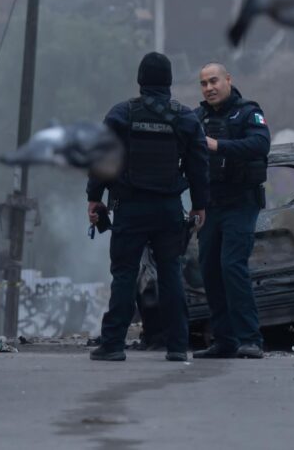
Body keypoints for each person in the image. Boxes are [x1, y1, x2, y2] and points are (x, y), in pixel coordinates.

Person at [86, 52, 210, 362]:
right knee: (170, 275)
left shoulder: (122, 114)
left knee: (125, 275)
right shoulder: (185, 117)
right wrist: (199, 205)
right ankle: (178, 346)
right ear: (169, 81)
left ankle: (113, 344)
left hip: (130, 208)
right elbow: (198, 165)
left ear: (141, 80)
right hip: (168, 209)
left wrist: (94, 197)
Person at [193, 62, 271, 359]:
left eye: (214, 81)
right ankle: (224, 340)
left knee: (232, 266)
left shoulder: (248, 112)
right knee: (210, 270)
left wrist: (218, 145)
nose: (209, 88)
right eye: (203, 84)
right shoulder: (197, 117)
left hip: (241, 202)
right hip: (211, 205)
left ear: (228, 80)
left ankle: (250, 339)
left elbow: (260, 144)